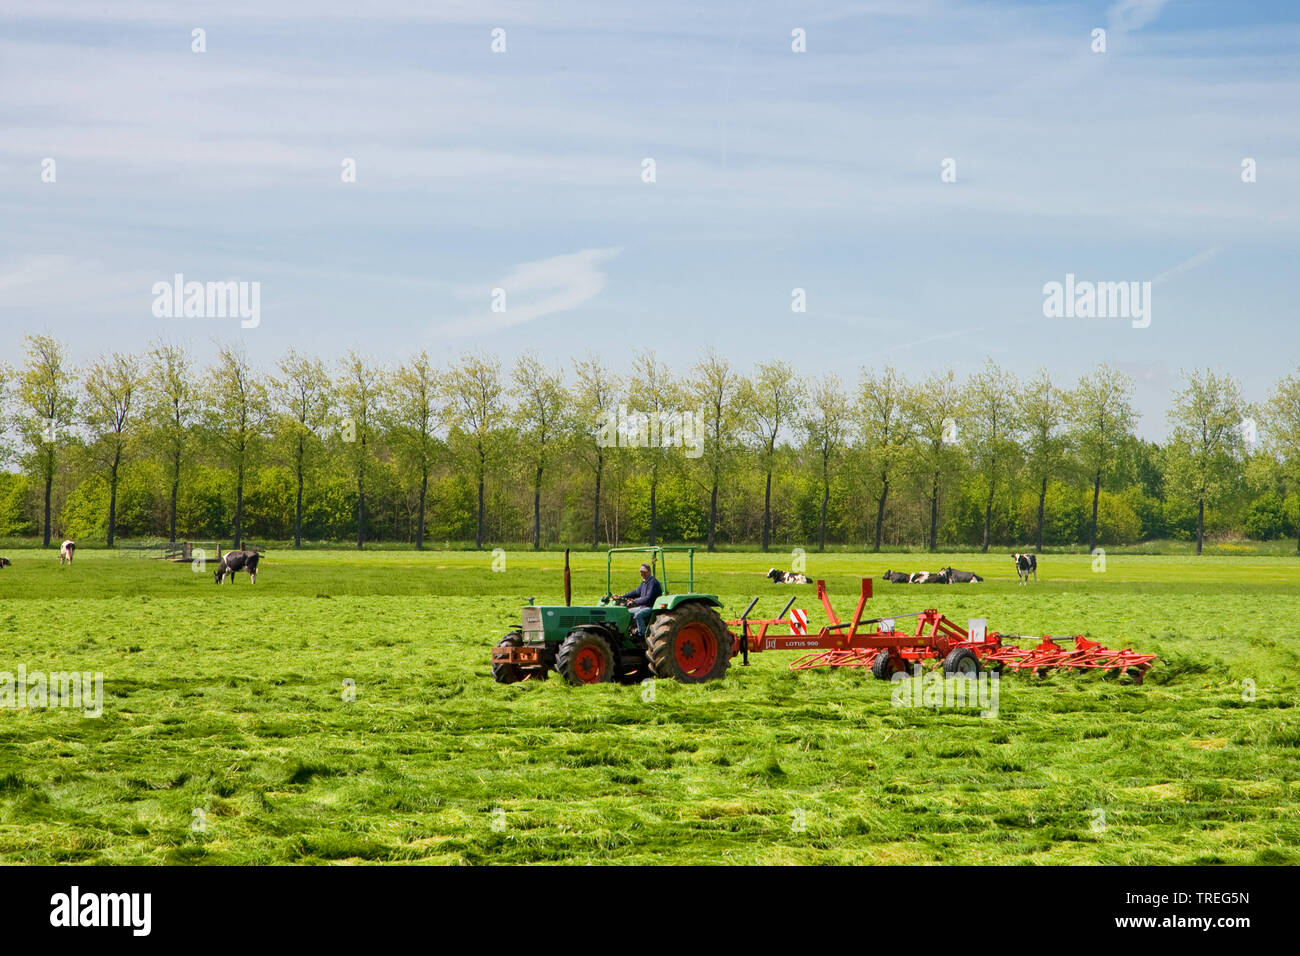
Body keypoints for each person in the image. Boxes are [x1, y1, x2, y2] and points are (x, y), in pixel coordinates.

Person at [617, 562, 662, 638]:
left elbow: (648, 599)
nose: (642, 574)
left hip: (651, 607)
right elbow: (636, 592)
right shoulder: (644, 582)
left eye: (644, 572)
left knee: (638, 615)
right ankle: (628, 631)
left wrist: (634, 602)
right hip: (643, 606)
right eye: (641, 572)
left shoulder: (653, 583)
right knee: (626, 612)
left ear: (649, 572)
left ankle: (642, 635)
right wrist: (623, 596)